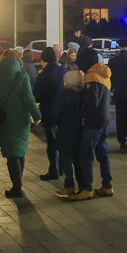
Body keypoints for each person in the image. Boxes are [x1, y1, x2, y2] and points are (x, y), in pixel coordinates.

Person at [0, 49, 41, 198]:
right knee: (19, 151)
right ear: (17, 60)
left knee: (11, 153)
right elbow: (29, 99)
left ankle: (17, 186)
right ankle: (17, 186)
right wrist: (37, 116)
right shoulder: (22, 76)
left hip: (3, 119)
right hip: (21, 120)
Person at [66, 47, 113, 200]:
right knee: (102, 153)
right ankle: (107, 185)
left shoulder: (92, 76)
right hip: (104, 118)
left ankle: (86, 188)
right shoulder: (103, 73)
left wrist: (83, 113)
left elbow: (92, 102)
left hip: (94, 122)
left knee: (85, 155)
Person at [32, 47, 65, 180]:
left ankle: (54, 170)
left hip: (49, 113)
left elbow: (37, 96)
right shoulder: (64, 71)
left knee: (52, 144)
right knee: (62, 142)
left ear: (43, 60)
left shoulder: (44, 75)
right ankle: (62, 167)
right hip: (63, 112)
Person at [51, 70, 84, 198]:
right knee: (78, 160)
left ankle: (69, 185)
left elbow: (55, 116)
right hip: (80, 131)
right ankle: (82, 185)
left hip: (65, 131)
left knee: (65, 159)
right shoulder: (82, 94)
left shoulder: (63, 95)